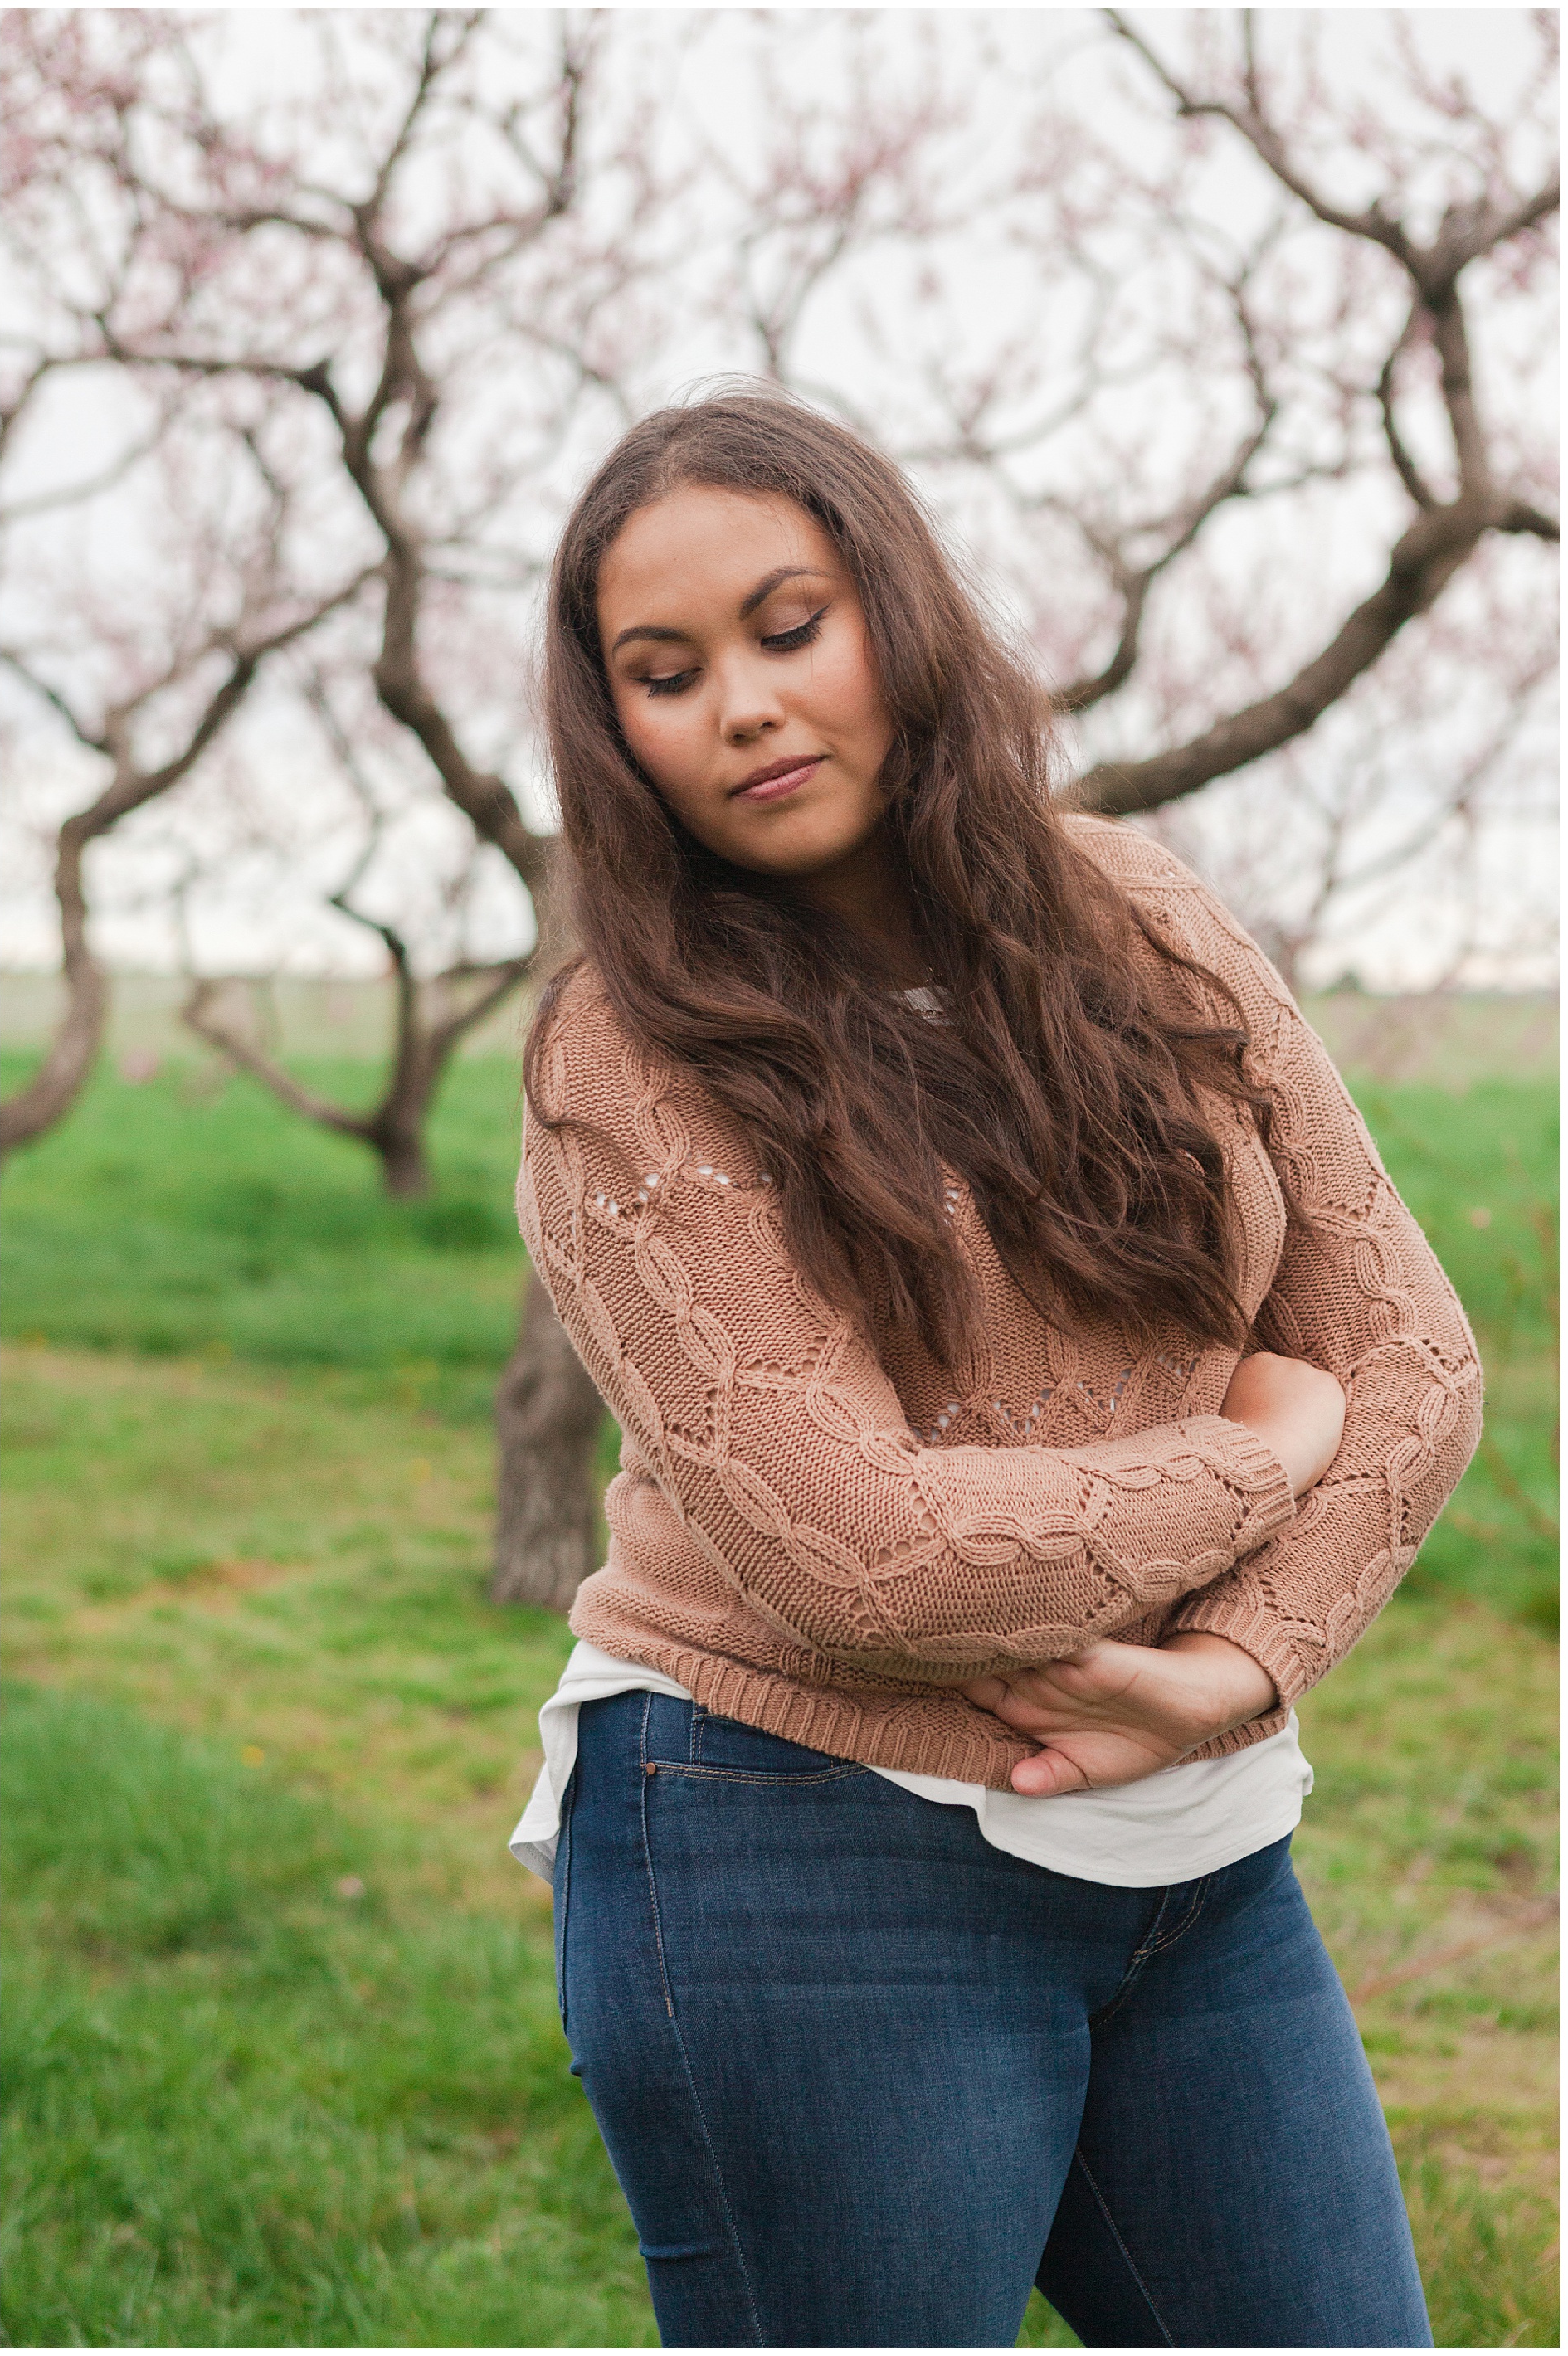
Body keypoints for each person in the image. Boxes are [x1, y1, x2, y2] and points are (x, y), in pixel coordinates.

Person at [508, 388, 1482, 2349]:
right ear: (616, 732)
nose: (745, 707)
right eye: (665, 674)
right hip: (792, 1844)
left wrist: (1217, 1680)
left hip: (1203, 1858)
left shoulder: (1130, 909)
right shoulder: (627, 1054)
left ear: (898, 610)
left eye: (791, 627)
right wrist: (1249, 1462)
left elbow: (1409, 1358)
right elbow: (864, 1555)